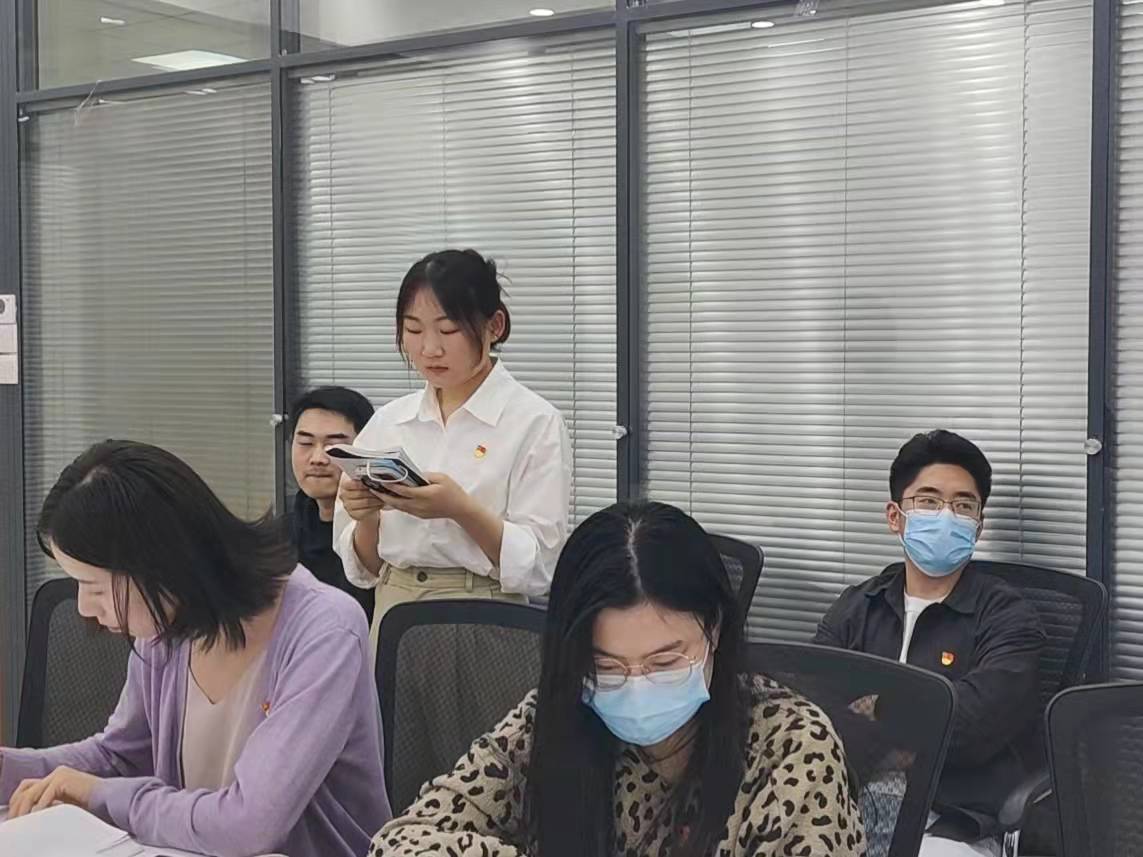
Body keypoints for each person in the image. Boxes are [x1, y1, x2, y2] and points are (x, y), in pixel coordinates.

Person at [371, 500, 866, 857]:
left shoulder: (791, 745)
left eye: (665, 662)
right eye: (606, 667)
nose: (636, 684)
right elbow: (402, 841)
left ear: (714, 630)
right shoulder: (551, 716)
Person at [0, 440, 391, 857]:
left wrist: (100, 796)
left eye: (94, 586)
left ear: (159, 565)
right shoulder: (166, 626)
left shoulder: (324, 631)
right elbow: (118, 758)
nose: (84, 607)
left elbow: (249, 824)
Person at [813, 430, 1046, 857]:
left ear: (978, 526)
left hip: (952, 824)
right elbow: (813, 709)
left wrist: (877, 710)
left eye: (963, 505)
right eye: (929, 501)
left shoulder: (1010, 618)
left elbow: (971, 725)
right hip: (845, 806)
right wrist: (906, 727)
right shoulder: (857, 606)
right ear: (895, 516)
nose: (947, 515)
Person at [334, 248, 573, 642]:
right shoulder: (390, 421)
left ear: (494, 326)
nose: (430, 349)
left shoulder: (534, 421)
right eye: (413, 330)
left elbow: (539, 567)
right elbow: (365, 569)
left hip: (486, 613)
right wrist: (366, 516)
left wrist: (461, 510)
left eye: (448, 330)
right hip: (395, 610)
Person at [290, 385, 376, 617]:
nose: (318, 458)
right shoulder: (278, 538)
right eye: (306, 443)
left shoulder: (383, 536)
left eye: (334, 446)